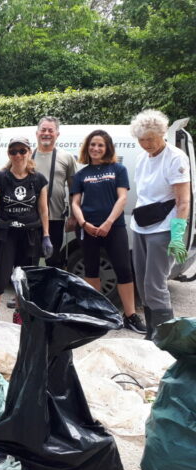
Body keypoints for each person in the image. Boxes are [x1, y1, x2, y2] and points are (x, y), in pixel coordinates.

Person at [70, 130, 146, 334]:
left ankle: (130, 315)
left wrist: (108, 223)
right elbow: (75, 203)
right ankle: (96, 314)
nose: (96, 148)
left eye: (100, 145)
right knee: (91, 270)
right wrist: (83, 223)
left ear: (107, 148)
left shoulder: (118, 169)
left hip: (114, 227)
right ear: (87, 148)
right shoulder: (81, 174)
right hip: (88, 228)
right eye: (92, 145)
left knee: (124, 270)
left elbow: (122, 198)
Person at [129, 109, 191, 339]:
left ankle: (168, 340)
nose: (146, 144)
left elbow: (183, 202)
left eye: (151, 139)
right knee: (143, 286)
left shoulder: (175, 158)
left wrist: (177, 236)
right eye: (142, 140)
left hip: (164, 229)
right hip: (140, 226)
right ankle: (152, 334)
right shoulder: (141, 158)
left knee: (156, 286)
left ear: (162, 134)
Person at [0, 137, 51, 323]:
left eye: (22, 151)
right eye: (13, 151)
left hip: (30, 235)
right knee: (0, 276)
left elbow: (43, 210)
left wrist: (46, 236)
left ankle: (20, 313)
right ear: (9, 154)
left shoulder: (38, 179)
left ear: (29, 152)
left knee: (24, 278)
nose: (18, 155)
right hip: (4, 234)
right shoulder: (1, 178)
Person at [32, 116, 77, 269]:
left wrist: (73, 216)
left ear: (57, 134)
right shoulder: (26, 156)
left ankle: (50, 292)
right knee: (28, 260)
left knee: (53, 260)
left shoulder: (67, 157)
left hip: (55, 218)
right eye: (43, 130)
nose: (46, 133)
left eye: (50, 130)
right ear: (37, 133)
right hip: (29, 218)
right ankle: (27, 292)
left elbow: (74, 189)